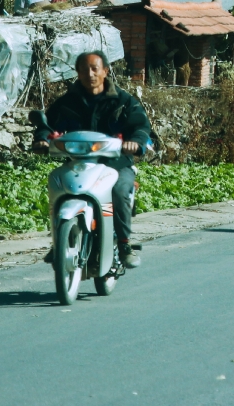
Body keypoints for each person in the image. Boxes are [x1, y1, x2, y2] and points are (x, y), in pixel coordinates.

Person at [42, 51, 153, 269]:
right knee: (58, 184)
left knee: (120, 190)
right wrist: (42, 140)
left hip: (117, 163)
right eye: (84, 69)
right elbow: (47, 125)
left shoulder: (123, 101)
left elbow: (141, 127)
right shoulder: (68, 102)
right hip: (78, 163)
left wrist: (135, 142)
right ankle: (59, 240)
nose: (90, 74)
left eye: (95, 69)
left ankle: (124, 244)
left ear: (105, 71)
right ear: (78, 73)